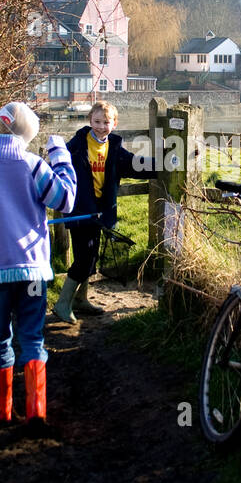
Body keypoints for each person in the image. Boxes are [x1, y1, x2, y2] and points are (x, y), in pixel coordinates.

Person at [0, 101, 76, 427]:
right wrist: (61, 157)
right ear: (28, 133)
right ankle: (36, 409)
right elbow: (65, 200)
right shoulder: (34, 165)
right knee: (32, 338)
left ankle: (3, 408)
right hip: (32, 269)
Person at [53, 100, 159, 321]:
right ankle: (62, 304)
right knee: (84, 257)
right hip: (80, 212)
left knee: (89, 257)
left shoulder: (115, 148)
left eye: (106, 122)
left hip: (100, 214)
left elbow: (134, 165)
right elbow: (58, 167)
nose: (101, 126)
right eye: (97, 121)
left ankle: (81, 299)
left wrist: (164, 165)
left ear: (114, 124)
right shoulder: (76, 146)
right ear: (90, 120)